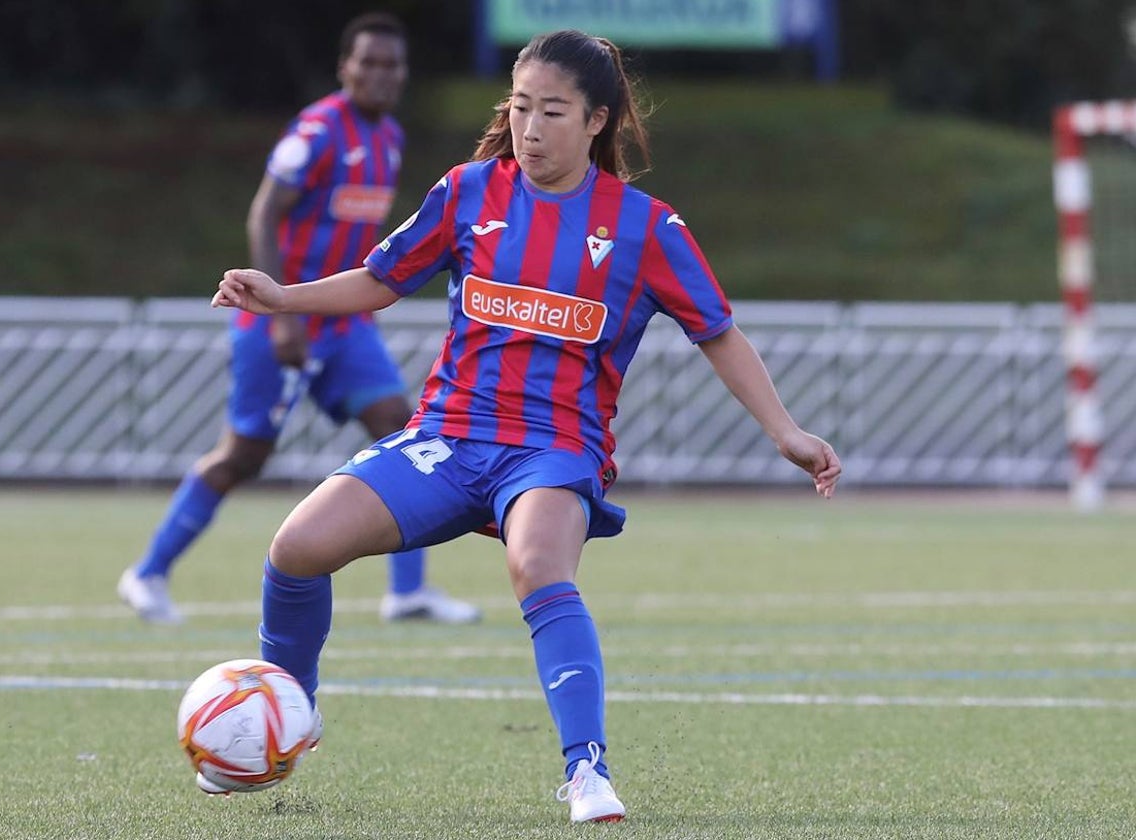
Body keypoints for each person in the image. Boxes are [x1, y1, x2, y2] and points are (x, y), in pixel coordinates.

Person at [211, 29, 841, 822]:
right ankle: (289, 715)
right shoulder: (467, 192)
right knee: (295, 549)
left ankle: (587, 772)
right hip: (449, 434)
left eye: (553, 111)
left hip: (554, 450)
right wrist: (281, 295)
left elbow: (717, 331)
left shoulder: (647, 227)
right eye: (519, 107)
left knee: (540, 566)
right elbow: (381, 279)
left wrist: (785, 431)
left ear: (598, 121)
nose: (530, 128)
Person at [118, 12, 480, 626]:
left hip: (344, 326)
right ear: (345, 67)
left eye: (392, 64)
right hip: (279, 321)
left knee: (402, 424)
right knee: (244, 456)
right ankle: (148, 573)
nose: (380, 74)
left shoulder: (389, 136)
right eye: (368, 62)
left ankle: (408, 591)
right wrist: (279, 313)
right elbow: (264, 215)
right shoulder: (315, 132)